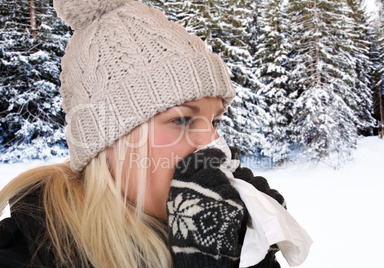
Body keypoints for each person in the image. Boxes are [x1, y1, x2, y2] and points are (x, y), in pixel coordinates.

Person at [0, 0, 286, 267]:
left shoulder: (219, 233)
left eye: (215, 122)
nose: (214, 143)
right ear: (107, 140)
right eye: (183, 120)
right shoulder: (22, 254)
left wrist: (250, 254)